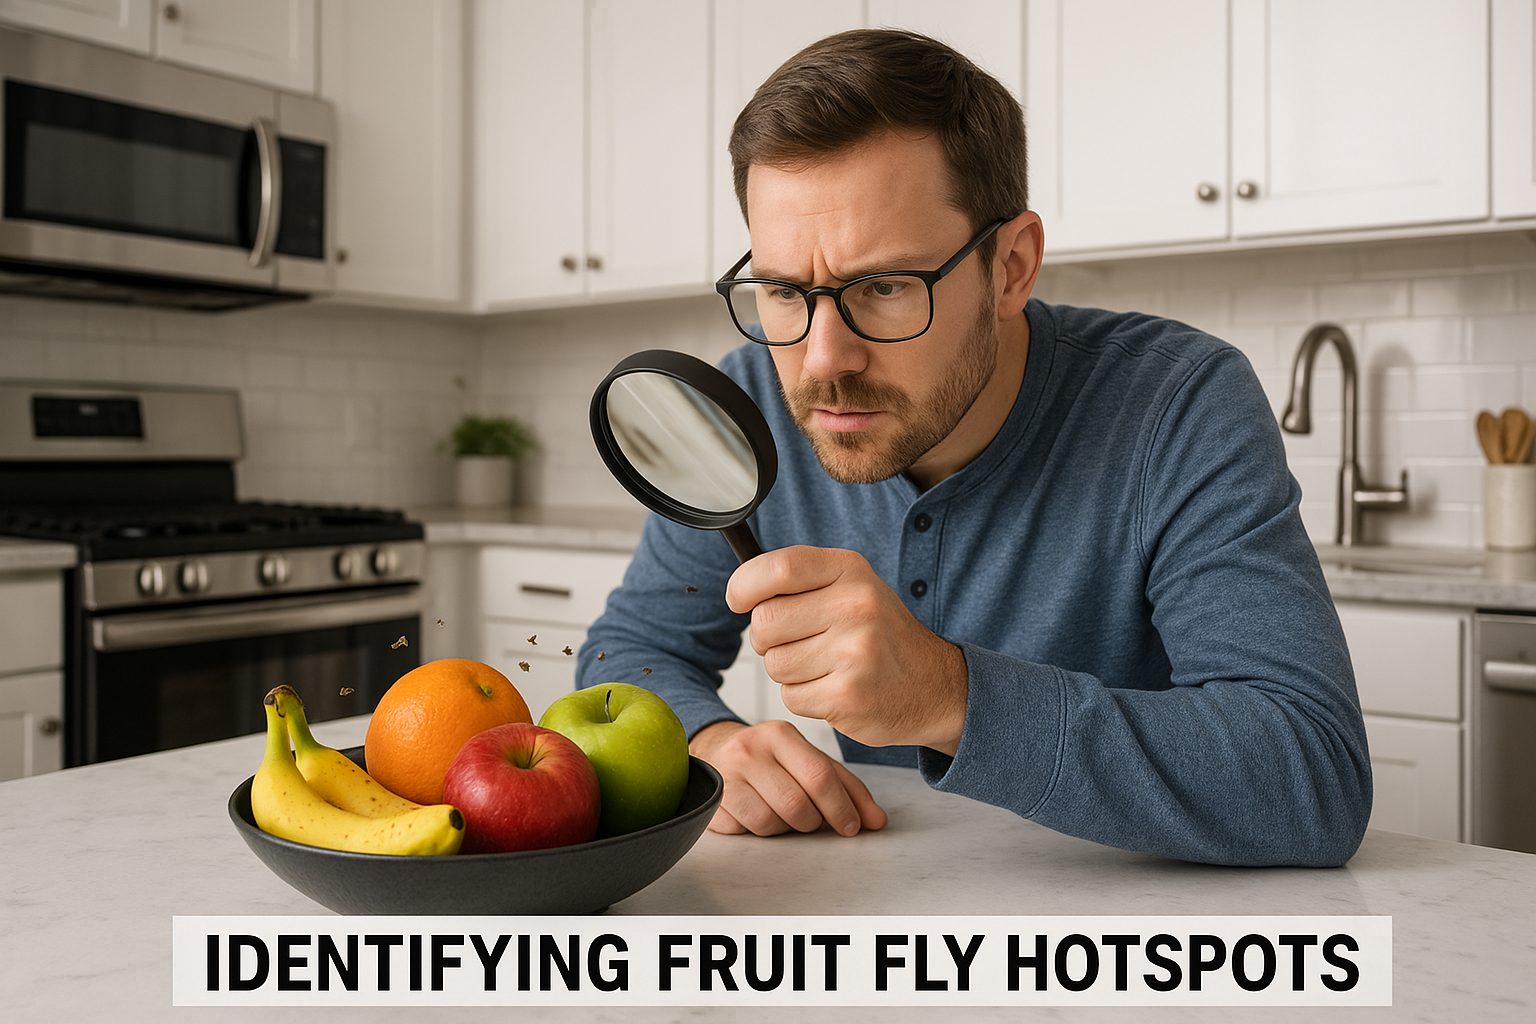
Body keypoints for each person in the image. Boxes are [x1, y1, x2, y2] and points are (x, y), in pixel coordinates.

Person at [578, 28, 1371, 867]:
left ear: (1011, 267)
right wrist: (705, 741)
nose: (823, 362)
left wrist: (949, 695)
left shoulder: (1178, 402)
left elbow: (1310, 773)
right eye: (781, 291)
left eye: (884, 287)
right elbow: (624, 652)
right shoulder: (741, 410)